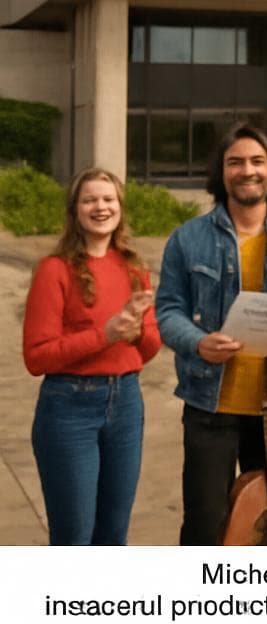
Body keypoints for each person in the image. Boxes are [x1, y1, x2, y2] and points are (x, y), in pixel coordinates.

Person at [155, 123, 267, 545]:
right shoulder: (188, 239)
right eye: (234, 161)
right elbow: (168, 310)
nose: (247, 170)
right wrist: (197, 342)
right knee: (205, 523)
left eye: (257, 161)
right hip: (211, 406)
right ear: (221, 172)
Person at [23, 168, 160, 544]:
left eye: (108, 199)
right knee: (75, 539)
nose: (100, 207)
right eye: (90, 200)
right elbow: (37, 357)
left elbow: (149, 347)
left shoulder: (134, 268)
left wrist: (136, 334)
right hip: (69, 408)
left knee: (114, 536)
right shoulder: (55, 270)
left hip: (127, 404)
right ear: (75, 210)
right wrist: (104, 335)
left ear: (120, 207)